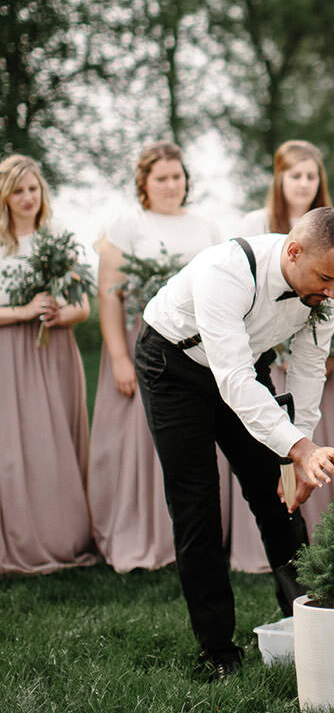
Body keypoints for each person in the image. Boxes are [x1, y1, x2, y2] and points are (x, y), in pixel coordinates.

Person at [135, 206, 334, 680]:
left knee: (277, 497)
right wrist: (297, 449)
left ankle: (306, 619)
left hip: (242, 365)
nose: (332, 293)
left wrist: (300, 452)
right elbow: (233, 379)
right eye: (325, 278)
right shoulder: (227, 269)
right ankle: (217, 650)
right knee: (196, 502)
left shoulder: (324, 289)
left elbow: (308, 369)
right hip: (173, 365)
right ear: (294, 251)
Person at [89, 142, 226, 572]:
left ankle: (192, 539)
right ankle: (143, 536)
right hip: (144, 343)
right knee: (144, 443)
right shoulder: (127, 226)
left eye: (177, 176)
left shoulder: (206, 226)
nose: (171, 185)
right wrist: (118, 358)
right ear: (144, 184)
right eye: (161, 178)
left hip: (198, 346)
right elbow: (109, 297)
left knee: (193, 442)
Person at [233, 139, 334, 563]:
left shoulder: (332, 233)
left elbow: (315, 344)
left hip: (297, 351)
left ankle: (292, 546)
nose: (302, 183)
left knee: (286, 442)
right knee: (250, 440)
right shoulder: (255, 223)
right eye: (294, 175)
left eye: (310, 176)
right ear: (279, 179)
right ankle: (249, 548)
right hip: (245, 352)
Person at [0, 154, 96, 575]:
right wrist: (23, 311)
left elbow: (84, 308)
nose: (26, 197)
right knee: (14, 446)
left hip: (54, 351)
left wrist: (60, 314)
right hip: (9, 353)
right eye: (17, 190)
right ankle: (19, 534)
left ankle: (61, 533)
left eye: (32, 189)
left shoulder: (56, 239)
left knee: (51, 443)